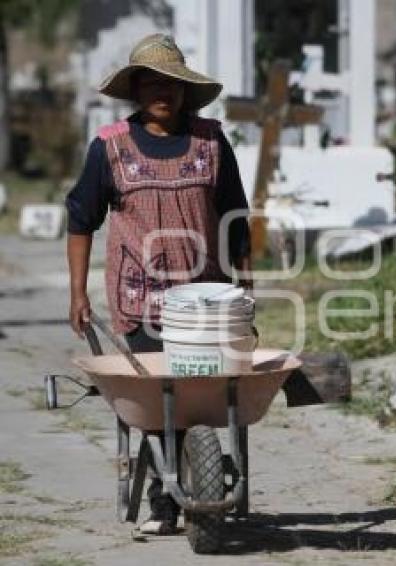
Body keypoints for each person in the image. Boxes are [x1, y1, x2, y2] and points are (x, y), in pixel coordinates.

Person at [65, 34, 252, 534]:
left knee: (193, 398)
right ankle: (165, 501)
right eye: (150, 82)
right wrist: (78, 292)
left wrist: (246, 286)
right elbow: (81, 219)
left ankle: (187, 485)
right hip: (139, 300)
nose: (161, 91)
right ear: (136, 89)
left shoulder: (210, 141)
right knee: (159, 400)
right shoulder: (110, 147)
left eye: (170, 83)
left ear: (184, 90)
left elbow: (237, 215)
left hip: (205, 300)